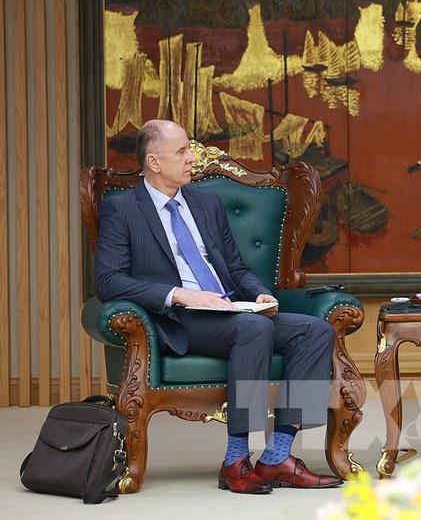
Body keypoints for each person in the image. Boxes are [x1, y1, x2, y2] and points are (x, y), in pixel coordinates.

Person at [94, 120, 343, 494]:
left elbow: (237, 268)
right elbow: (108, 280)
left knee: (315, 331)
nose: (192, 159)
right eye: (182, 151)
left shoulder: (206, 204)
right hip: (178, 319)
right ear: (154, 162)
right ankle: (235, 461)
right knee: (254, 328)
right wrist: (180, 295)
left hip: (229, 310)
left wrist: (259, 295)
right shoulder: (123, 208)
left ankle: (278, 456)